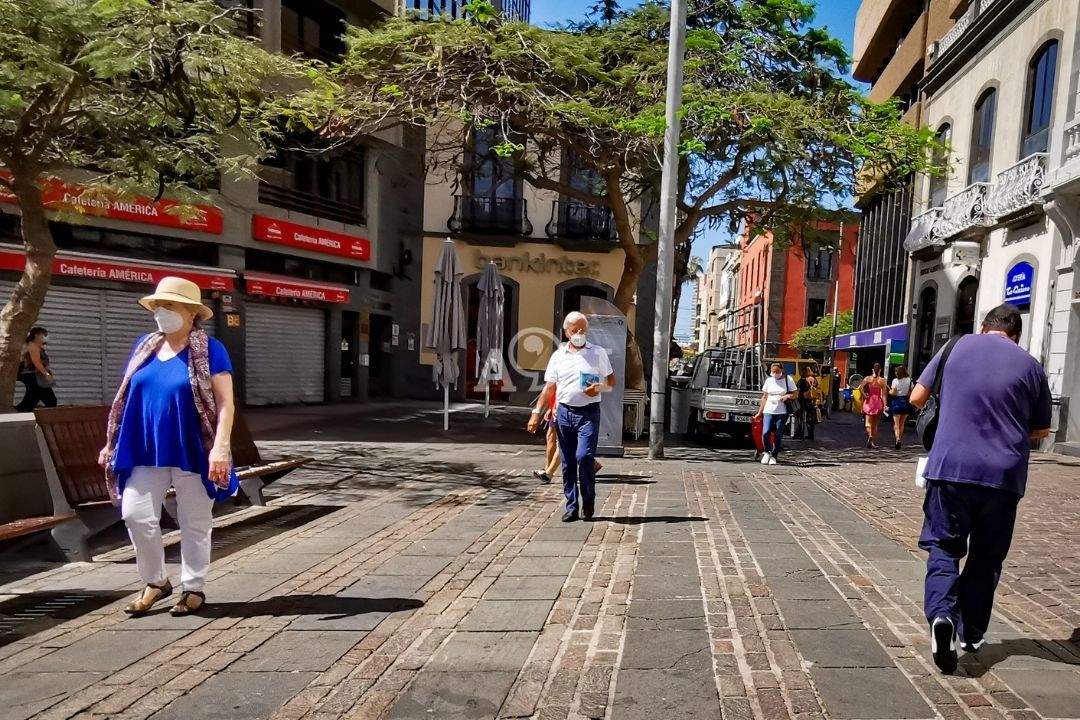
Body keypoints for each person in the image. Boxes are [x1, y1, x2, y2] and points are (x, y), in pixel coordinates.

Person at [909, 304, 1051, 675]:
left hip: (950, 468)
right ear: (1015, 334)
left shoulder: (954, 347)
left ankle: (941, 616)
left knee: (943, 546)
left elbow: (916, 398)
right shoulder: (1031, 366)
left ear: (984, 327)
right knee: (986, 557)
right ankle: (971, 631)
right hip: (1003, 478)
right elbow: (1040, 430)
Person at [97, 277, 238, 617]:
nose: (161, 312)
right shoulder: (144, 346)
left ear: (192, 314)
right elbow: (126, 398)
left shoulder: (210, 349)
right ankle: (156, 581)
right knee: (135, 514)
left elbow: (225, 404)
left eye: (170, 306)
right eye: (158, 306)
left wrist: (220, 448)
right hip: (145, 447)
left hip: (192, 447)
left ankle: (193, 587)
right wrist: (111, 442)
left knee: (194, 522)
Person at [528, 311, 615, 521]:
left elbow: (611, 382)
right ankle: (572, 506)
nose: (579, 333)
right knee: (567, 462)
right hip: (564, 412)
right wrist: (536, 414)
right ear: (566, 332)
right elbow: (549, 388)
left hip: (589, 413)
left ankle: (589, 499)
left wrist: (599, 388)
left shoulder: (597, 353)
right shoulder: (558, 356)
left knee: (584, 457)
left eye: (583, 330)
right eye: (575, 330)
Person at [533, 388, 602, 484]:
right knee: (553, 436)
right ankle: (548, 469)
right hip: (559, 404)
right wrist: (551, 407)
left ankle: (549, 473)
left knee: (562, 441)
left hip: (565, 407)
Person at [754, 363, 797, 465]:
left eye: (777, 371)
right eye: (773, 372)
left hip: (781, 411)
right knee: (766, 431)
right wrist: (759, 412)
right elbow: (764, 397)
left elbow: (795, 394)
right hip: (768, 410)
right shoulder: (769, 380)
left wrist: (787, 396)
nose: (775, 374)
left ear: (782, 370)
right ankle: (767, 451)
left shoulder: (788, 379)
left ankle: (774, 454)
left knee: (778, 433)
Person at [16, 326, 58, 411]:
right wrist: (46, 374)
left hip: (32, 377)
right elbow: (36, 362)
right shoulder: (32, 345)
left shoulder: (35, 346)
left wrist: (47, 372)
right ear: (36, 335)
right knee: (51, 401)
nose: (46, 337)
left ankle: (19, 417)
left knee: (30, 402)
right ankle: (46, 421)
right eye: (43, 335)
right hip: (33, 377)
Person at [860, 364, 887, 448]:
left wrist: (864, 395)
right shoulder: (882, 381)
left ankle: (870, 435)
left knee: (868, 423)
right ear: (880, 370)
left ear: (873, 370)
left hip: (870, 401)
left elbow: (860, 387)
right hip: (878, 401)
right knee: (875, 424)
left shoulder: (868, 378)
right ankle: (872, 442)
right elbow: (884, 394)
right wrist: (885, 405)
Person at [888, 365, 913, 450]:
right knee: (902, 424)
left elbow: (893, 393)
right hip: (905, 402)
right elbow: (911, 392)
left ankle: (897, 439)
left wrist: (890, 391)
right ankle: (899, 439)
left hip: (897, 402)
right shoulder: (909, 380)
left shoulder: (895, 381)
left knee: (896, 424)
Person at [796, 366, 819, 441]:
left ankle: (800, 433)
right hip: (811, 400)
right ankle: (810, 434)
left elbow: (799, 388)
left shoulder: (803, 380)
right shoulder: (814, 379)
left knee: (800, 417)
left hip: (803, 400)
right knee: (810, 418)